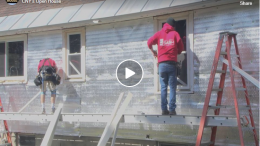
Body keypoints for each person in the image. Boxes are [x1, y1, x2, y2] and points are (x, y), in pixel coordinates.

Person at [147, 17, 184, 115]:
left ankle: (164, 109)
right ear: (173, 26)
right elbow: (181, 48)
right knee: (172, 87)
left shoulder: (159, 34)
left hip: (162, 65)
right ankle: (172, 110)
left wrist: (153, 52)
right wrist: (176, 51)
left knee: (163, 87)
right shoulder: (175, 34)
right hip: (171, 64)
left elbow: (149, 43)